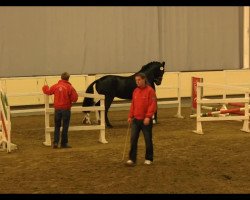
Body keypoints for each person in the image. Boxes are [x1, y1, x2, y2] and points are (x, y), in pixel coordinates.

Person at [126, 72, 157, 166]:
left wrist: (148, 117)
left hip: (145, 121)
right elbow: (133, 105)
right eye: (136, 80)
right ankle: (132, 159)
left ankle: (149, 158)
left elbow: (153, 105)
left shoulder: (150, 91)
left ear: (144, 79)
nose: (137, 82)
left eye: (139, 80)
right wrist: (130, 116)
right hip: (136, 120)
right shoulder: (135, 91)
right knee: (133, 139)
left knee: (148, 139)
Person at [42, 72, 78, 149]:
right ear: (68, 78)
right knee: (65, 127)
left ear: (61, 77)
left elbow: (48, 92)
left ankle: (55, 142)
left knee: (57, 126)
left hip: (57, 109)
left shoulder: (56, 86)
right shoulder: (70, 87)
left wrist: (45, 87)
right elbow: (75, 99)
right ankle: (64, 143)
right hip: (66, 109)